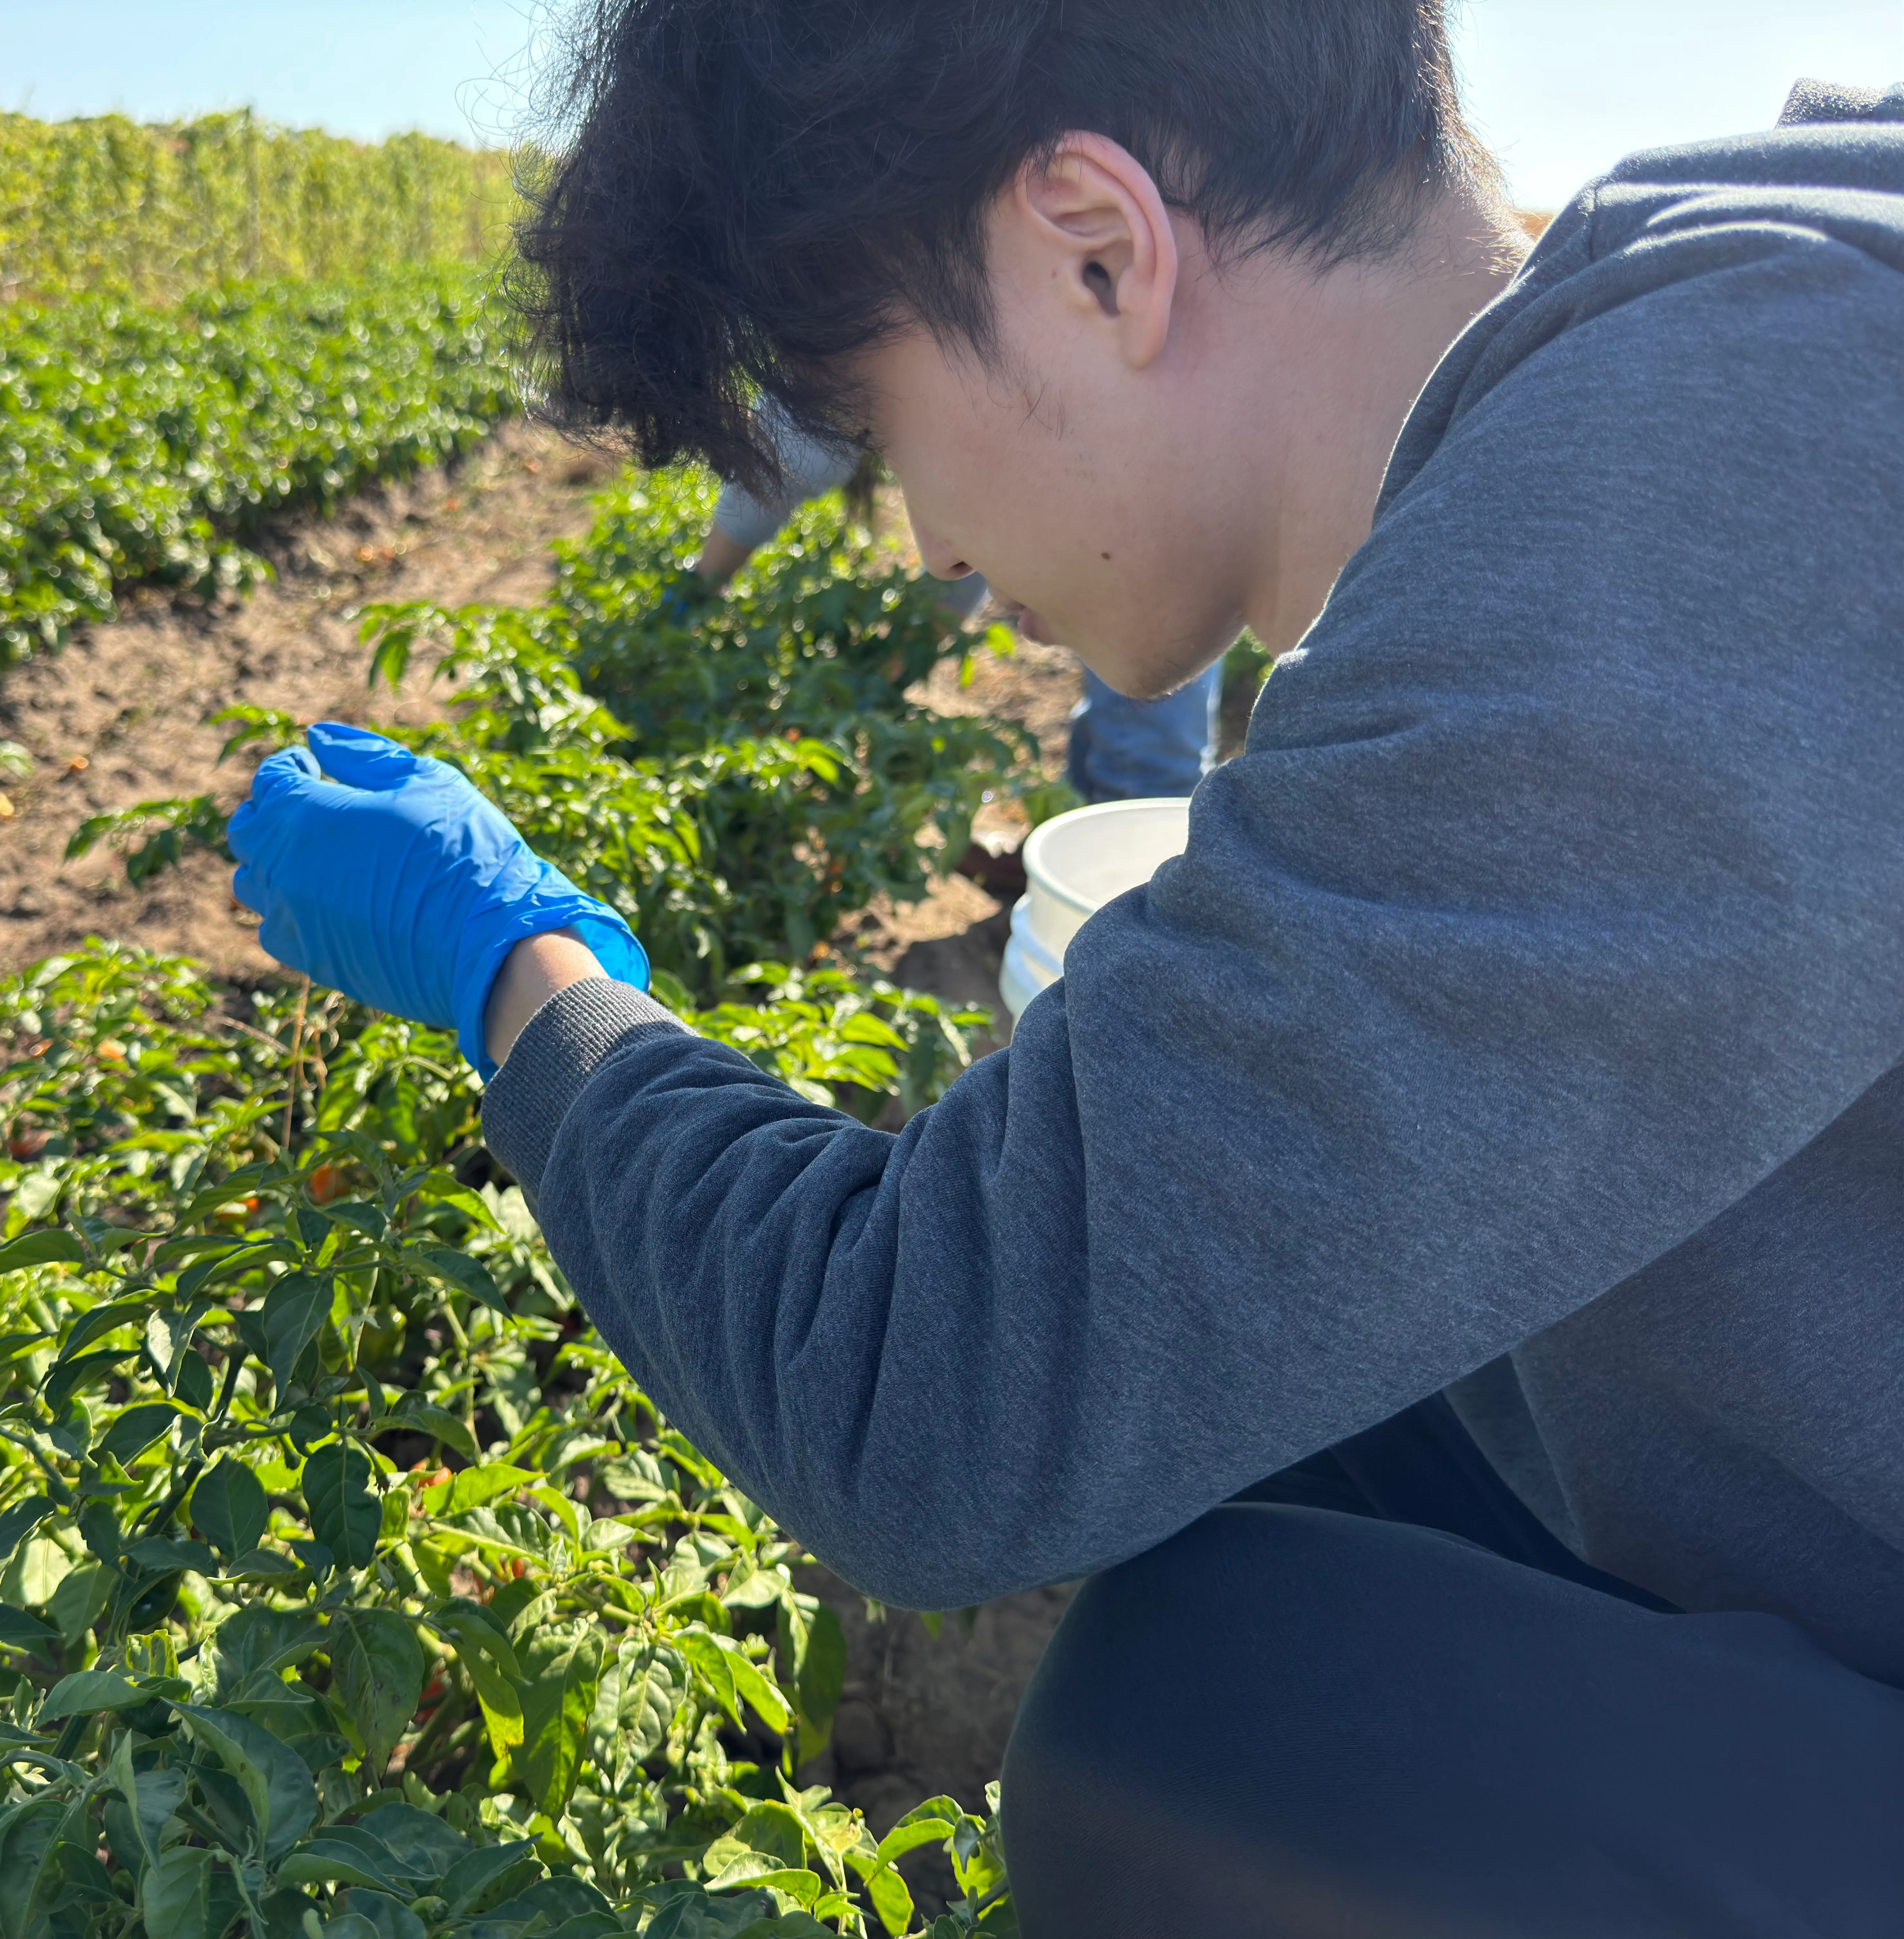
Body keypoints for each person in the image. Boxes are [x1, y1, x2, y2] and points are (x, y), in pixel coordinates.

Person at [227, 2, 1904, 1926]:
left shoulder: (1690, 507)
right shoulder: (1729, 348)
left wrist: (512, 963)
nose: (932, 543)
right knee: (1287, 1426)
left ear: (1096, 250)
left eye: (887, 431)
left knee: (1210, 1734)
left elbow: (924, 1403)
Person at [693, 392, 1220, 801]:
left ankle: (1126, 877)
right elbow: (967, 536)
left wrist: (701, 586)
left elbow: (789, 453)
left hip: (1150, 446)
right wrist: (893, 673)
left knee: (1149, 746)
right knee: (1134, 721)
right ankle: (1080, 844)